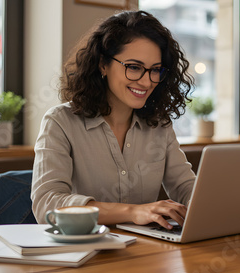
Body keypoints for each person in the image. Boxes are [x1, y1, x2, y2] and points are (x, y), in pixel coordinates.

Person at [31, 10, 196, 230]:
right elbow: (47, 205)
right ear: (103, 65)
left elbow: (186, 187)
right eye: (134, 67)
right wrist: (133, 212)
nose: (146, 82)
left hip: (143, 251)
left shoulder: (159, 125)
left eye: (155, 70)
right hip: (84, 253)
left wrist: (214, 205)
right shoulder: (60, 122)